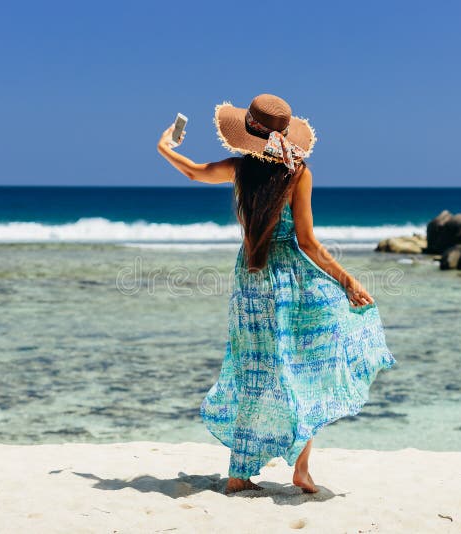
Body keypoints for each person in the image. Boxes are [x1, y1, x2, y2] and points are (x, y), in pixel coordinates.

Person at [157, 94, 396, 494]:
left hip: (252, 279)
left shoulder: (240, 170)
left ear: (248, 132)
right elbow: (309, 243)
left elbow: (195, 172)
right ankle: (301, 469)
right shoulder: (298, 173)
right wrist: (347, 281)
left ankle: (239, 473)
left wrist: (165, 145)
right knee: (303, 366)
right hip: (294, 278)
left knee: (255, 370)